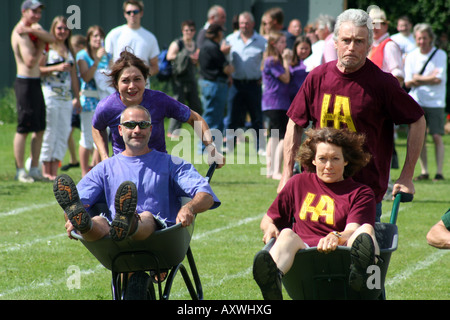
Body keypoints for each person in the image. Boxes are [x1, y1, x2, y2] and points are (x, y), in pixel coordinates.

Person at [53, 105, 220, 298]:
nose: (137, 130)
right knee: (98, 221)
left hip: (161, 235)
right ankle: (88, 225)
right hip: (114, 236)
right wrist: (72, 217)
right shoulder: (106, 168)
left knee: (146, 217)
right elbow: (75, 202)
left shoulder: (171, 163)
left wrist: (189, 207)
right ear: (120, 130)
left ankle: (128, 222)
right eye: (130, 125)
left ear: (151, 129)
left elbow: (205, 194)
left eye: (143, 125)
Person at [277, 9, 426, 223]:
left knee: (357, 253)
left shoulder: (382, 84)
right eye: (346, 40)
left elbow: (417, 120)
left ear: (368, 45)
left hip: (363, 192)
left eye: (359, 41)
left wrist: (406, 175)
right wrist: (286, 174)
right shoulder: (317, 77)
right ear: (335, 42)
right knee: (307, 252)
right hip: (315, 190)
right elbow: (295, 122)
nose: (351, 47)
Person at [253, 127, 378, 300]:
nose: (328, 166)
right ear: (313, 160)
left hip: (343, 256)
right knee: (287, 233)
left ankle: (359, 275)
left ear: (346, 161)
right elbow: (268, 219)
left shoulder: (360, 193)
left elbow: (352, 230)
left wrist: (336, 236)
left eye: (335, 159)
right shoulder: (298, 183)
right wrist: (270, 228)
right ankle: (272, 281)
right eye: (322, 159)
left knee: (366, 230)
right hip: (304, 258)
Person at [92, 50, 225, 167]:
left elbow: (194, 118)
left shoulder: (159, 101)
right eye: (125, 80)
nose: (132, 86)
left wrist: (211, 149)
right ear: (116, 83)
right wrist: (104, 156)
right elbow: (97, 127)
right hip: (122, 170)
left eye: (137, 79)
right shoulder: (106, 107)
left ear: (145, 80)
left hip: (160, 169)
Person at [10, 0, 55, 183]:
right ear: (24, 11)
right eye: (33, 12)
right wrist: (40, 45)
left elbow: (52, 38)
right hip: (25, 83)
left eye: (39, 12)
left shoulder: (32, 29)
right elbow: (30, 61)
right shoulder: (21, 32)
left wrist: (36, 33)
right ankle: (20, 170)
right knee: (24, 128)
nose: (37, 16)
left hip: (36, 82)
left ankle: (34, 168)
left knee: (40, 128)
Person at [39, 16, 81, 181]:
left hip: (65, 97)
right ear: (53, 29)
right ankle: (45, 169)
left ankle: (54, 170)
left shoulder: (70, 50)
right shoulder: (47, 47)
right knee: (50, 131)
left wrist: (77, 97)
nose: (62, 32)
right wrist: (56, 67)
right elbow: (38, 69)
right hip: (50, 94)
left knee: (63, 132)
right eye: (59, 28)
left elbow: (74, 77)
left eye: (65, 29)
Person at [405, 23, 447, 181]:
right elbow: (408, 82)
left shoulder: (440, 54)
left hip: (436, 102)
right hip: (417, 101)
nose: (421, 41)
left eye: (424, 38)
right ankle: (424, 171)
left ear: (430, 38)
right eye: (419, 38)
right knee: (419, 137)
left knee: (436, 136)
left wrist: (418, 78)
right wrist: (427, 78)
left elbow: (438, 79)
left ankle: (439, 172)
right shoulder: (411, 56)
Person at [225, 11, 267, 153]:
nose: (244, 26)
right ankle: (229, 147)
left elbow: (267, 60)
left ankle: (260, 148)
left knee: (256, 117)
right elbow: (225, 59)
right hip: (235, 84)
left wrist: (264, 74)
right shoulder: (231, 39)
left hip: (253, 84)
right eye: (242, 23)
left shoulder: (261, 41)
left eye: (247, 23)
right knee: (232, 117)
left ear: (253, 24)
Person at [77, 25, 113, 177]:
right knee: (87, 137)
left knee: (102, 136)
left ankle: (98, 170)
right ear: (89, 39)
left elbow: (112, 77)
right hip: (89, 101)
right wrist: (97, 60)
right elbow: (86, 77)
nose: (98, 40)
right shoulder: (82, 55)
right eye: (95, 37)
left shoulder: (108, 56)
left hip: (104, 100)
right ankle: (85, 172)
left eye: (100, 36)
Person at [261, 31, 293, 180]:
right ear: (274, 44)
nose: (285, 45)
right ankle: (276, 171)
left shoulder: (269, 60)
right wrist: (286, 60)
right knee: (281, 137)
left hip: (272, 103)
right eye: (282, 42)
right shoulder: (273, 60)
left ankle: (269, 169)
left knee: (273, 136)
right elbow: (286, 78)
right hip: (277, 103)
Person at [198, 24, 234, 151]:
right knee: (211, 117)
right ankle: (203, 148)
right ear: (217, 33)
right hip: (214, 85)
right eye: (221, 32)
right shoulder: (213, 47)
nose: (222, 35)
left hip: (208, 83)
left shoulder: (205, 46)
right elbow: (227, 69)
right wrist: (227, 57)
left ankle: (212, 148)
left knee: (214, 117)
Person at [105, 0, 160, 83]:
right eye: (129, 12)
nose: (132, 14)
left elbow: (155, 66)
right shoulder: (114, 34)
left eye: (135, 12)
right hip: (120, 85)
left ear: (141, 13)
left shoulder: (150, 37)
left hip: (142, 87)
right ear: (124, 14)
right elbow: (108, 61)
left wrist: (140, 75)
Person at [166, 20, 202, 138]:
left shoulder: (195, 45)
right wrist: (185, 56)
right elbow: (169, 56)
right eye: (186, 30)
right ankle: (172, 132)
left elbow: (197, 62)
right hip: (178, 79)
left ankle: (199, 129)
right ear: (182, 31)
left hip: (191, 78)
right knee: (178, 104)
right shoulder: (178, 43)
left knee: (195, 104)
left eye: (191, 30)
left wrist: (195, 60)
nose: (189, 33)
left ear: (194, 32)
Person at [61, 34, 87, 172]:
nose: (71, 50)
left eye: (74, 47)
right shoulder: (73, 63)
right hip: (75, 101)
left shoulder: (85, 60)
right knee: (68, 131)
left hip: (84, 102)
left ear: (82, 47)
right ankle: (73, 159)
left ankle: (88, 163)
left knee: (86, 134)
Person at [368, 8, 404, 85]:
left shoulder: (389, 45)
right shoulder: (373, 46)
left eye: (377, 24)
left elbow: (398, 74)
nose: (373, 28)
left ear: (385, 26)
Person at [289, 35, 311, 102]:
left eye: (306, 48)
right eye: (301, 48)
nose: (304, 51)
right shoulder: (290, 62)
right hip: (293, 99)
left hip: (308, 98)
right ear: (296, 48)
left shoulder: (314, 62)